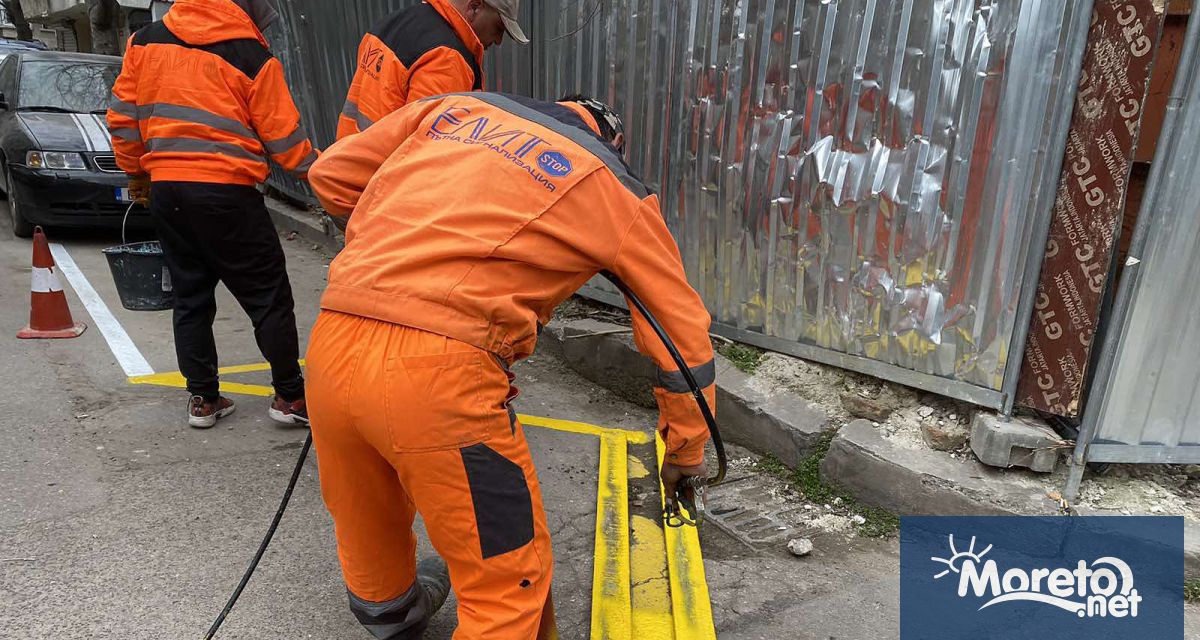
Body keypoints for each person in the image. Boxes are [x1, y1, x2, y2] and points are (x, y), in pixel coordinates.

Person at [304, 91, 714, 638]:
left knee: (366, 506)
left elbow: (330, 176)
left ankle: (391, 616)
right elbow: (681, 336)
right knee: (507, 580)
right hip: (439, 371)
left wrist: (406, 246)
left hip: (334, 338)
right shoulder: (612, 186)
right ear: (610, 141)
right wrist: (686, 447)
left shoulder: (455, 109)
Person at [106, 0, 317, 429]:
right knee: (268, 297)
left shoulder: (144, 42)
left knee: (190, 296)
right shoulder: (251, 55)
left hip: (168, 190)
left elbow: (123, 119)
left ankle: (202, 398)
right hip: (227, 192)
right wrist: (324, 173)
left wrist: (137, 173)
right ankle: (291, 397)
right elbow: (286, 142)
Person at [336, 0, 527, 140]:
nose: (499, 41)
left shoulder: (390, 25)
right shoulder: (446, 58)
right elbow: (428, 150)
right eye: (498, 28)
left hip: (349, 171)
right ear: (474, 7)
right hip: (384, 187)